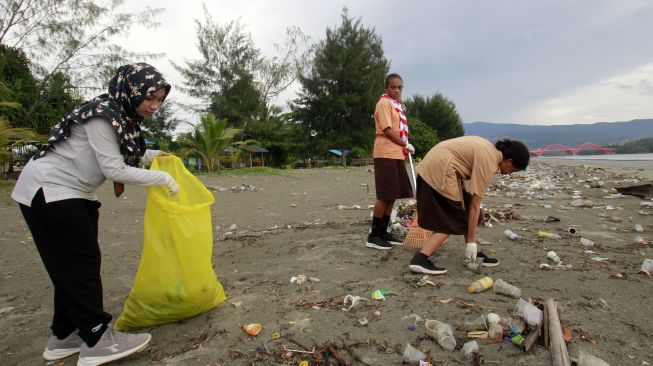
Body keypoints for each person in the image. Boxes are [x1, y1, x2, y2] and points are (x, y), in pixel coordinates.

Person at [11, 63, 180, 365]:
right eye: (150, 98)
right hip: (50, 190)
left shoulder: (123, 118)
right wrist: (163, 179)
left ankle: (64, 336)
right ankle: (97, 338)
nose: (155, 106)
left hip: (74, 192)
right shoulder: (102, 115)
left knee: (74, 265)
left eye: (160, 99)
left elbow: (127, 151)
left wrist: (155, 156)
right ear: (132, 91)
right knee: (81, 265)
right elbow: (113, 168)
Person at [407, 136, 530, 275]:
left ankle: (473, 255)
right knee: (452, 218)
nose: (509, 174)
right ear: (509, 161)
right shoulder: (489, 161)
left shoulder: (490, 150)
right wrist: (472, 242)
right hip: (440, 170)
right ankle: (420, 259)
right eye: (512, 170)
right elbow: (475, 206)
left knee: (464, 208)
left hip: (437, 166)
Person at [367, 73, 415, 250]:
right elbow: (387, 130)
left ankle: (383, 231)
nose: (397, 90)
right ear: (387, 88)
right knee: (384, 195)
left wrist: (403, 146)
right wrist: (405, 144)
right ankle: (373, 235)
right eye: (393, 87)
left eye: (399, 87)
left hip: (396, 154)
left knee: (392, 194)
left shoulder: (397, 106)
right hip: (385, 152)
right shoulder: (384, 103)